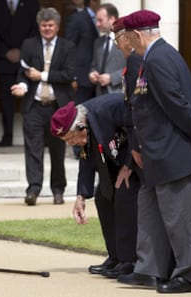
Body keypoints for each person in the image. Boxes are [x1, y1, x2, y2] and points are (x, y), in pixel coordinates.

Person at [116, 10, 191, 293]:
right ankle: (149, 269)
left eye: (129, 38)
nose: (129, 44)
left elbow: (179, 104)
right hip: (156, 152)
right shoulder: (154, 57)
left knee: (178, 217)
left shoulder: (159, 58)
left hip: (171, 151)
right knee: (151, 212)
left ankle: (187, 275)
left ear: (139, 34)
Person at [51, 94, 139, 279]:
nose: (72, 143)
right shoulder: (84, 126)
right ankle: (115, 256)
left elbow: (134, 129)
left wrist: (128, 165)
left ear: (80, 126)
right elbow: (86, 160)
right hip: (113, 163)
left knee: (124, 195)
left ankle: (129, 259)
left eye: (71, 138)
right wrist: (80, 197)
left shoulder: (107, 109)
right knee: (103, 197)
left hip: (134, 158)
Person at [11, 7, 75, 206]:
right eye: (43, 26)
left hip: (58, 107)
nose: (47, 29)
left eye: (51, 25)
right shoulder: (29, 45)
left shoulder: (67, 47)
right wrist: (22, 86)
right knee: (33, 149)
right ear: (38, 26)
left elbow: (68, 74)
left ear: (57, 26)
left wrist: (42, 76)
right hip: (34, 106)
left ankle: (58, 190)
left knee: (58, 151)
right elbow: (23, 72)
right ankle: (33, 190)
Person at [0, 0, 40, 147]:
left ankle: (36, 137)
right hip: (4, 61)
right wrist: (5, 52)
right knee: (6, 102)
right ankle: (7, 136)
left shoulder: (32, 4)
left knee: (31, 101)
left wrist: (22, 51)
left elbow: (35, 30)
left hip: (28, 61)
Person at [64, 0, 100, 104]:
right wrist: (73, 77)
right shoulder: (76, 18)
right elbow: (69, 48)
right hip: (81, 78)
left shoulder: (103, 19)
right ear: (93, 2)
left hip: (97, 77)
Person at [88, 3, 125, 96]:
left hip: (119, 94)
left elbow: (134, 68)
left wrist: (112, 78)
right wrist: (92, 73)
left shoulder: (126, 40)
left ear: (112, 19)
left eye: (100, 20)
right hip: (100, 95)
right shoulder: (98, 42)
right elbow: (94, 66)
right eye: (97, 20)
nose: (97, 24)